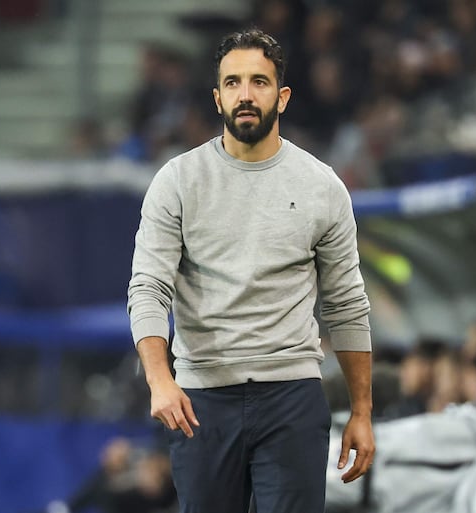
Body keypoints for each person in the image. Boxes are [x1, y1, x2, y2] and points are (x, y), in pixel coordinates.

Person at [127, 28, 375, 513]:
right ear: (217, 97)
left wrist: (362, 411)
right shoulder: (177, 182)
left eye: (259, 82)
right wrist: (160, 379)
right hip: (201, 401)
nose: (246, 94)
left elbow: (346, 303)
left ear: (281, 97)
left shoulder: (323, 187)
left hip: (293, 396)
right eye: (234, 83)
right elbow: (149, 287)